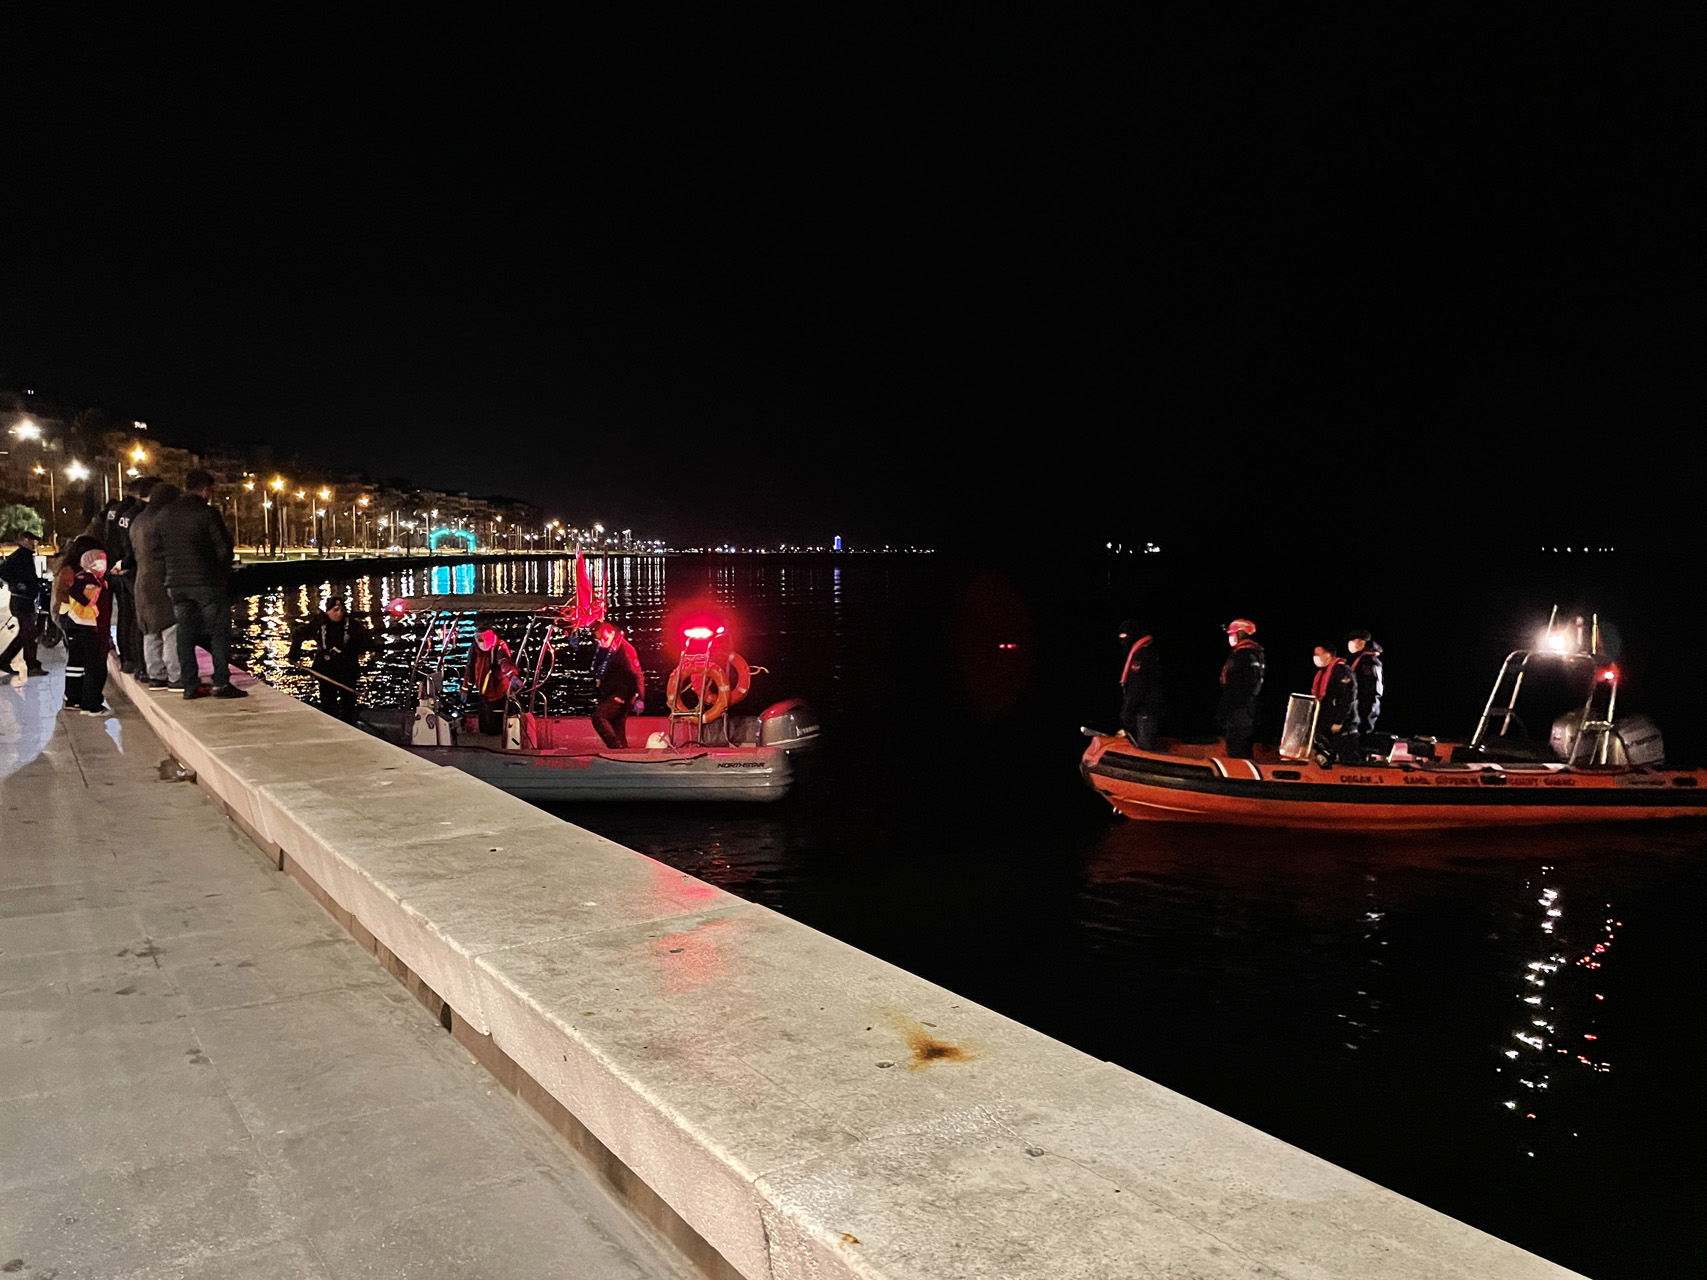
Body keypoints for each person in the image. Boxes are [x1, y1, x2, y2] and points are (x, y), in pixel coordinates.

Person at [158, 469, 245, 699]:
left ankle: (190, 684)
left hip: (176, 584)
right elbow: (224, 548)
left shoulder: (165, 514)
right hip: (206, 582)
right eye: (211, 491)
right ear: (205, 489)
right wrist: (221, 572)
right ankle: (221, 682)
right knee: (218, 631)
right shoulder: (207, 513)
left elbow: (159, 550)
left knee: (184, 634)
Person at [288, 596, 376, 722]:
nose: (339, 613)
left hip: (347, 669)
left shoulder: (350, 624)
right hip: (326, 669)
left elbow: (367, 641)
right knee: (329, 702)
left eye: (341, 610)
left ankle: (349, 723)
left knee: (348, 703)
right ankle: (331, 722)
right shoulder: (319, 623)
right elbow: (299, 634)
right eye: (335, 610)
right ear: (328, 611)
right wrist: (293, 654)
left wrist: (357, 651)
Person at [130, 481, 182, 688]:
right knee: (170, 627)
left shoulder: (138, 521)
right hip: (161, 578)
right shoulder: (164, 519)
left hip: (142, 578)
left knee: (150, 629)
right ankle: (175, 675)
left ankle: (155, 674)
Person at [106, 479, 154, 675]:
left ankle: (128, 659)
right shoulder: (135, 513)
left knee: (126, 615)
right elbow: (135, 547)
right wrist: (126, 564)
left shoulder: (116, 511)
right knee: (137, 619)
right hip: (131, 570)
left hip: (117, 568)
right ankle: (139, 663)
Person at [60, 548, 113, 714]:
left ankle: (73, 698)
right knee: (95, 667)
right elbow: (79, 594)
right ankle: (91, 705)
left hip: (75, 625)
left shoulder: (80, 576)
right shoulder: (91, 580)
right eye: (99, 562)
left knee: (76, 664)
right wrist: (89, 602)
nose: (103, 566)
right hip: (89, 627)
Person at [0, 529, 48, 680]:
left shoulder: (25, 556)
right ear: (24, 540)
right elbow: (2, 570)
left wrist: (37, 583)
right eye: (32, 540)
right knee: (30, 632)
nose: (34, 544)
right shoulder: (20, 556)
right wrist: (17, 584)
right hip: (21, 601)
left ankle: (5, 660)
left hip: (25, 600)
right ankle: (32, 666)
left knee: (27, 633)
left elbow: (28, 577)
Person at [590, 619, 645, 749]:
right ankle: (621, 752)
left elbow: (636, 675)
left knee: (599, 718)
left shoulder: (625, 651)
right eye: (598, 640)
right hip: (610, 692)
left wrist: (638, 698)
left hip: (621, 694)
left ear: (611, 633)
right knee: (617, 728)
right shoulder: (605, 648)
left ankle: (616, 748)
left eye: (604, 638)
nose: (602, 643)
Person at [1216, 618, 1265, 759]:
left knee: (1238, 747)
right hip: (1242, 711)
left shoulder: (1245, 655)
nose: (1229, 638)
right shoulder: (1251, 654)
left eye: (1231, 634)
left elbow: (1242, 686)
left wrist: (1229, 708)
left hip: (1240, 711)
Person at [1115, 619, 1164, 750]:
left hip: (1145, 711)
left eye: (1125, 637)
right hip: (1143, 710)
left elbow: (1137, 687)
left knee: (1145, 747)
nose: (1123, 641)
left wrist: (1127, 711)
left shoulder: (1142, 655)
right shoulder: (1144, 652)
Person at [1310, 643, 1360, 762]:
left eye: (1317, 654)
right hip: (1326, 720)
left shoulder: (1342, 671)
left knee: (1343, 755)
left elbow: (1347, 698)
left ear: (1327, 655)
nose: (1315, 657)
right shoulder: (1323, 672)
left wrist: (1339, 721)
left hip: (1341, 724)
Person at [463, 628, 518, 735]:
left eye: (487, 638)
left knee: (499, 725)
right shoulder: (474, 649)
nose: (484, 643)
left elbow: (505, 662)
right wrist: (465, 689)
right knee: (484, 724)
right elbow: (470, 669)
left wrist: (512, 676)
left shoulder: (499, 647)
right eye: (480, 640)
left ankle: (500, 742)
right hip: (483, 693)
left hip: (499, 692)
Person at [1346, 629, 1384, 737]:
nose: (1350, 644)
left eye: (1353, 641)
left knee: (1362, 739)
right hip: (1359, 709)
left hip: (1364, 712)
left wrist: (1363, 716)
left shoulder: (1370, 661)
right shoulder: (1361, 658)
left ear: (1362, 642)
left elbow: (1371, 690)